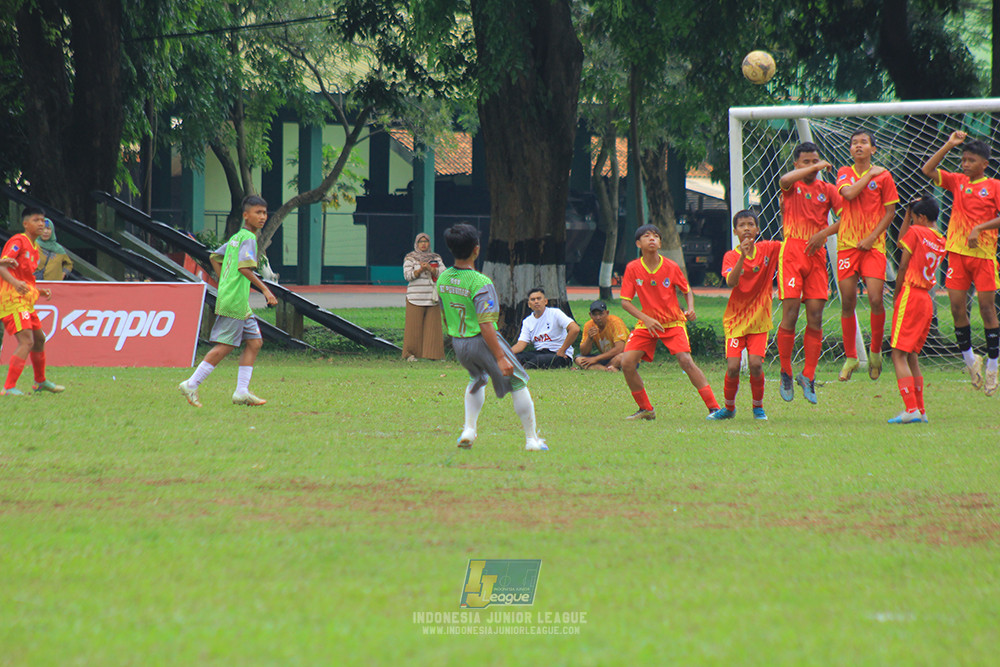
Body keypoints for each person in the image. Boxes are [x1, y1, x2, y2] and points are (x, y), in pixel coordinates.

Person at [435, 223, 547, 451]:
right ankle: (532, 440)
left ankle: (468, 429)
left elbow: (444, 312)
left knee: (477, 379)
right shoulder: (480, 283)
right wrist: (500, 356)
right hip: (480, 340)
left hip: (459, 342)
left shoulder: (443, 278)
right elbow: (486, 324)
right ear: (476, 249)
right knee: (518, 382)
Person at [178, 194, 278, 407]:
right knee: (225, 346)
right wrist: (266, 291)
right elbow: (244, 268)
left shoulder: (236, 238)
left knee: (255, 342)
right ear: (245, 215)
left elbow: (215, 257)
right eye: (257, 213)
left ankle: (241, 392)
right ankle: (191, 383)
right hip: (235, 300)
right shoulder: (249, 239)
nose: (262, 217)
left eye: (264, 213)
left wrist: (224, 279)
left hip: (236, 299)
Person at [921, 130, 1000, 395]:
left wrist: (979, 228)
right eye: (963, 159)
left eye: (970, 160)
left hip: (984, 258)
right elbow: (928, 168)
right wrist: (949, 144)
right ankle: (970, 361)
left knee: (987, 310)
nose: (965, 164)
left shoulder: (994, 186)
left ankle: (992, 367)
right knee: (956, 309)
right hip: (956, 254)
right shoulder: (957, 181)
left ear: (984, 164)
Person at [620, 224, 719, 420]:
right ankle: (646, 409)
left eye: (656, 236)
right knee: (627, 363)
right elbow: (625, 302)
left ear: (660, 243)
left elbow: (687, 290)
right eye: (647, 236)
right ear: (638, 243)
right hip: (647, 324)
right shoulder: (632, 268)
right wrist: (646, 319)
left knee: (686, 361)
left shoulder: (671, 266)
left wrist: (690, 308)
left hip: (673, 322)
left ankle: (714, 408)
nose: (652, 239)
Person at [774, 142, 843, 404]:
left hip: (816, 256)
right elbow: (783, 179)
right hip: (792, 253)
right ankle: (785, 371)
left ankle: (808, 375)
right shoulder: (792, 186)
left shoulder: (827, 190)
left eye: (815, 161)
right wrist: (814, 167)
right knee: (790, 313)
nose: (812, 167)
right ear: (797, 164)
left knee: (815, 315)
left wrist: (824, 233)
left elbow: (846, 217)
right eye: (806, 162)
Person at [834, 130, 899, 382]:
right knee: (847, 301)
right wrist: (870, 174)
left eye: (864, 142)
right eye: (854, 143)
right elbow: (848, 194)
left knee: (875, 299)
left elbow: (890, 212)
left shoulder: (884, 176)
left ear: (873, 148)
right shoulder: (844, 172)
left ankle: (875, 353)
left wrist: (872, 237)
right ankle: (851, 357)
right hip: (847, 246)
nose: (858, 146)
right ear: (850, 150)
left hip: (873, 247)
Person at [708, 210, 781, 421]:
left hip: (759, 320)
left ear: (758, 229)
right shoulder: (731, 256)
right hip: (735, 321)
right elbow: (732, 282)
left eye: (750, 224)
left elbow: (791, 245)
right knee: (732, 368)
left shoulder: (768, 249)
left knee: (756, 364)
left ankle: (758, 408)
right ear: (735, 231)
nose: (746, 228)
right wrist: (742, 255)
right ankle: (729, 409)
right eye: (741, 225)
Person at [888, 197, 946, 423]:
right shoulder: (941, 239)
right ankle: (920, 410)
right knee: (912, 355)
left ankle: (910, 408)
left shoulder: (916, 232)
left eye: (913, 218)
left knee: (898, 353)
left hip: (911, 294)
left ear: (921, 218)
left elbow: (903, 260)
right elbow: (906, 241)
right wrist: (908, 214)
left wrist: (896, 293)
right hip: (926, 301)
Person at [0, 207, 63, 396]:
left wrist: (38, 291)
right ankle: (8, 388)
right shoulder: (18, 241)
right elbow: (2, 266)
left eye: (43, 220)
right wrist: (15, 283)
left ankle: (40, 381)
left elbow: (24, 278)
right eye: (36, 220)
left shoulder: (35, 248)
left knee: (39, 339)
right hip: (12, 300)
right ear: (25, 224)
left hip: (25, 300)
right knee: (26, 341)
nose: (41, 224)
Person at [510, 287, 580, 369]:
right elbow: (521, 345)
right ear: (529, 304)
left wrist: (562, 350)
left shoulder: (555, 313)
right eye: (533, 300)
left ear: (545, 301)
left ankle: (525, 367)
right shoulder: (527, 321)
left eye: (539, 299)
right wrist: (507, 354)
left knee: (537, 361)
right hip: (540, 352)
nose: (536, 301)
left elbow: (575, 329)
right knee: (517, 357)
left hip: (559, 354)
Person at [401, 232, 445, 361]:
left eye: (426, 241)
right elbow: (407, 276)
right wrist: (420, 270)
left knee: (433, 327)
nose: (424, 244)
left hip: (432, 297)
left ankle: (434, 355)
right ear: (416, 244)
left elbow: (443, 273)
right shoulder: (410, 258)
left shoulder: (435, 258)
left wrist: (431, 269)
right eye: (421, 242)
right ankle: (410, 354)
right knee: (413, 327)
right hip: (415, 297)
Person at [574, 300, 628, 371]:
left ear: (607, 313)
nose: (598, 317)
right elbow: (584, 352)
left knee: (622, 357)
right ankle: (608, 369)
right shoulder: (589, 325)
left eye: (601, 314)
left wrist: (595, 359)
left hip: (621, 355)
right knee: (578, 358)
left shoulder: (616, 322)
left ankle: (599, 368)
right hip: (605, 357)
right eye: (595, 315)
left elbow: (619, 349)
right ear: (590, 315)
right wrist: (589, 339)